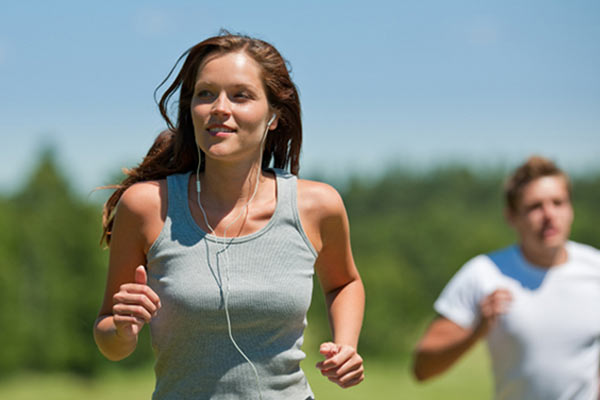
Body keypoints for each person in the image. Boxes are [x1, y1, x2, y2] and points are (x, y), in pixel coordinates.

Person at [93, 32, 365, 399]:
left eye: (241, 95)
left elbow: (343, 282)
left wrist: (346, 345)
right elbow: (110, 338)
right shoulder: (146, 207)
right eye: (206, 94)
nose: (219, 107)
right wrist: (122, 329)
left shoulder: (317, 206)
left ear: (272, 116)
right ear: (191, 112)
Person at [413, 156, 600, 399]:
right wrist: (476, 331)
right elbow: (422, 368)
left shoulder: (595, 268)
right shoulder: (484, 273)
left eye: (558, 203)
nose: (549, 215)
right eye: (535, 207)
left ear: (571, 208)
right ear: (511, 217)